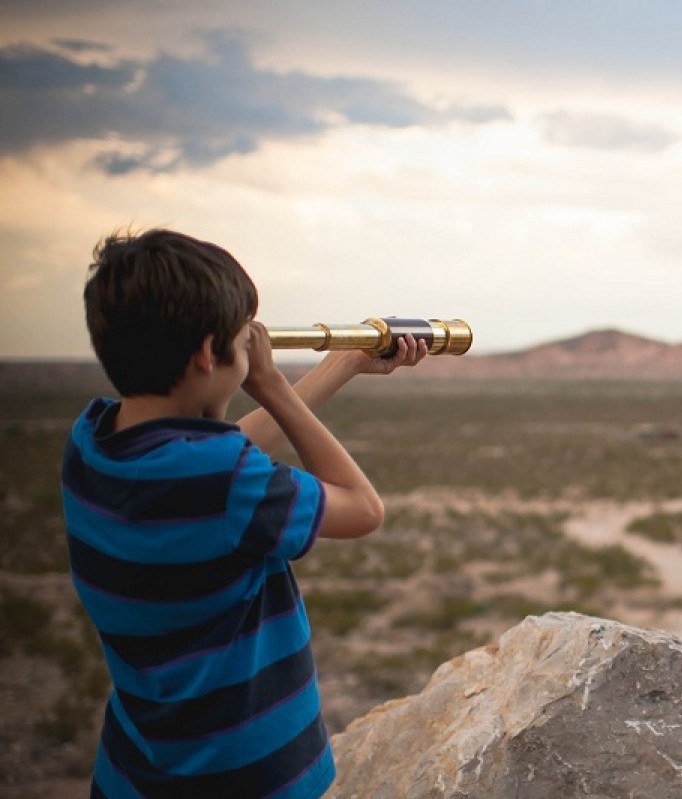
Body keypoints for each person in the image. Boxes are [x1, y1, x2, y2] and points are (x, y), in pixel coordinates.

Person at [60, 228, 426, 798]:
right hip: (248, 779)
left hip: (135, 774)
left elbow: (222, 450)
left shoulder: (94, 444)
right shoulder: (219, 479)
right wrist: (272, 385)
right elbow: (363, 509)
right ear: (210, 353)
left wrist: (345, 363)